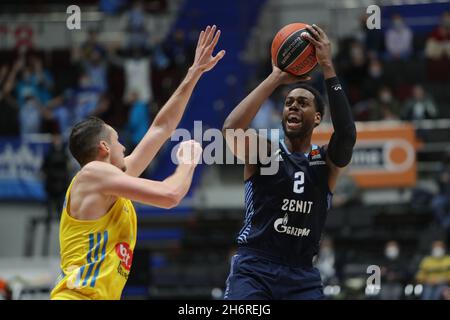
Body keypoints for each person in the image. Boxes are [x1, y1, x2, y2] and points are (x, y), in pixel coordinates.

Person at [50, 25, 225, 300]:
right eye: (118, 141)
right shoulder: (93, 174)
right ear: (104, 147)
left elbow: (161, 127)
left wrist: (194, 73)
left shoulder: (109, 182)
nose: (124, 146)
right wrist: (189, 162)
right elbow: (169, 195)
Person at [222, 24, 356, 299]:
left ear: (317, 118)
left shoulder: (325, 162)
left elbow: (346, 134)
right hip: (254, 269)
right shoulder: (265, 152)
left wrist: (327, 66)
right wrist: (274, 78)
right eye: (289, 102)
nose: (293, 105)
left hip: (302, 275)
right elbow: (231, 130)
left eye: (303, 103)